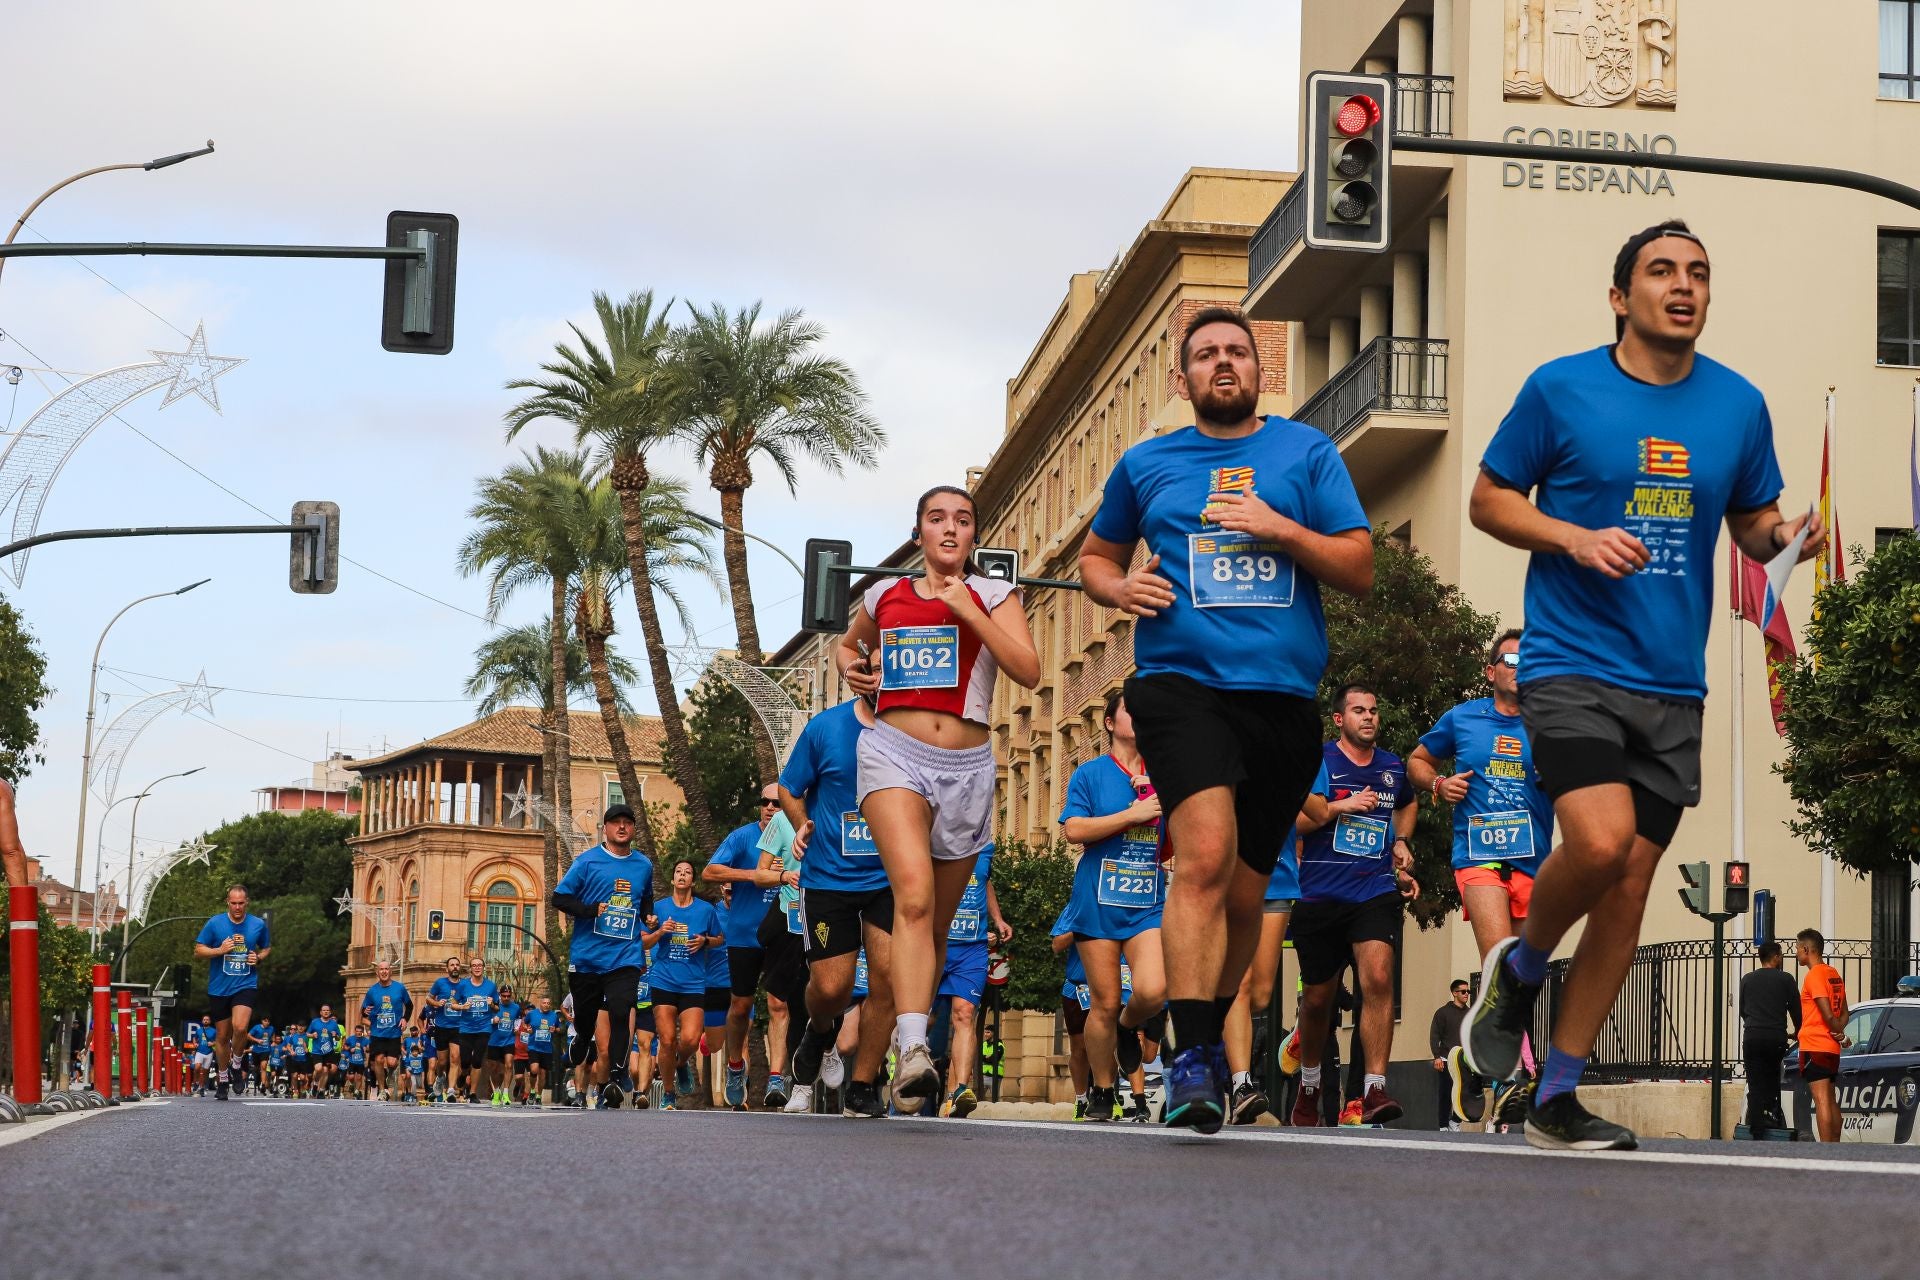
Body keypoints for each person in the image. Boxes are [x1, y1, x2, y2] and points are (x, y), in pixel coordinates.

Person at [1463, 219, 1821, 1151]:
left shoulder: (1737, 406)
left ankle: (1558, 1098)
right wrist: (1573, 537)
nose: (1684, 285)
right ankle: (1523, 969)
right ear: (1621, 296)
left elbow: (1749, 520)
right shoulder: (1561, 389)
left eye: (1699, 272)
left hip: (1673, 682)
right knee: (1599, 838)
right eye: (1662, 271)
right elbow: (1489, 499)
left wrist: (1783, 540)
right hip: (1572, 662)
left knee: (1627, 889)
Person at [1079, 307, 1373, 1132]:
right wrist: (1117, 588)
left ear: (1258, 370)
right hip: (1180, 685)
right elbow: (1097, 558)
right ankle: (1196, 1057)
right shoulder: (1149, 464)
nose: (1222, 364)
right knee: (1202, 857)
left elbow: (1359, 565)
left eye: (1236, 352)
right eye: (1205, 354)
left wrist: (1280, 528)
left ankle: (1201, 1038)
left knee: (1246, 896)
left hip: (1280, 698)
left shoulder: (1305, 454)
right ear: (1183, 379)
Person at [835, 483, 1040, 1109]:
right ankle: (916, 1048)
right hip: (894, 753)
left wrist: (970, 611)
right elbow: (849, 644)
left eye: (962, 520)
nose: (950, 529)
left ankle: (903, 1035)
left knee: (938, 924)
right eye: (936, 518)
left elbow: (1029, 671)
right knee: (915, 900)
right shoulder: (884, 595)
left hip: (968, 766)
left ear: (973, 535)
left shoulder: (995, 595)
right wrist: (852, 666)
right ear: (919, 531)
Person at [1409, 628, 1553, 1130]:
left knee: (1523, 974)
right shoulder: (1463, 718)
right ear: (1491, 671)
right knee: (1501, 960)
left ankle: (1474, 1060)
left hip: (1533, 861)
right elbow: (1418, 760)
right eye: (1510, 658)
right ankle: (1516, 1073)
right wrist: (1438, 783)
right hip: (1479, 855)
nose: (1520, 664)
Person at [1289, 686, 1418, 1127]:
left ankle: (1374, 1090)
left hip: (1373, 891)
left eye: (1374, 710)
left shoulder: (1391, 767)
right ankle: (1308, 1087)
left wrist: (1400, 842)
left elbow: (1408, 802)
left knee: (1379, 978)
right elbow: (1297, 819)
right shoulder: (1320, 761)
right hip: (1319, 894)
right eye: (1359, 710)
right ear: (1339, 719)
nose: (1369, 717)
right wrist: (1343, 805)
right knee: (1318, 1002)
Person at [780, 691, 896, 1121]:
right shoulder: (825, 728)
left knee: (887, 980)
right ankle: (820, 1029)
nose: (884, 676)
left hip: (891, 878)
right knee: (832, 989)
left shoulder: (918, 728)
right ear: (860, 669)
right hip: (829, 876)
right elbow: (790, 789)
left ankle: (863, 1085)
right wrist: (801, 824)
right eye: (877, 664)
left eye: (894, 665)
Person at [1057, 691, 1170, 1124]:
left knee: (1154, 990)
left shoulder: (1164, 774)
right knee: (1101, 1003)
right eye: (1130, 709)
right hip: (1098, 902)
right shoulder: (1090, 774)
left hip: (1146, 902)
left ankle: (1127, 1026)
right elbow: (1075, 830)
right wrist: (1132, 814)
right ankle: (1103, 1089)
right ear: (1109, 723)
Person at [550, 802, 655, 1110]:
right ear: (605, 829)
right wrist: (589, 910)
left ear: (633, 829)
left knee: (623, 1011)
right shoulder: (587, 862)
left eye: (627, 822)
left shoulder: (643, 865)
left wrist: (648, 916)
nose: (622, 827)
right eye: (615, 822)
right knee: (584, 1020)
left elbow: (645, 896)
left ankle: (617, 1077)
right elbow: (559, 897)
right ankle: (581, 1039)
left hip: (626, 957)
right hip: (587, 959)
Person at [701, 788, 786, 1109]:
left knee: (779, 1005)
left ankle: (777, 1076)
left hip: (783, 932)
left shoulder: (797, 836)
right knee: (739, 1007)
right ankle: (735, 1065)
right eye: (764, 802)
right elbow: (710, 872)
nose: (768, 807)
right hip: (744, 935)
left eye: (776, 803)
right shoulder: (742, 838)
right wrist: (754, 875)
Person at [937, 843, 1012, 1118]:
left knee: (965, 1014)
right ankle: (907, 1089)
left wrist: (998, 918)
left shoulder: (985, 847)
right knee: (927, 1020)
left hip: (972, 948)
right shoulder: (933, 837)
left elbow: (985, 882)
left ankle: (958, 1093)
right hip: (935, 945)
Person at [642, 858, 724, 1110]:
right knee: (666, 1040)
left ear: (692, 880)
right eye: (678, 871)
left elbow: (720, 939)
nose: (682, 875)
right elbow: (644, 942)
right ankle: (668, 1093)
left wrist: (705, 941)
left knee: (689, 1040)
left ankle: (680, 1064)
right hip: (664, 980)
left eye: (687, 872)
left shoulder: (706, 910)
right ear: (672, 879)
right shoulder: (660, 907)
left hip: (694, 983)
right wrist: (659, 932)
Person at [191, 884, 272, 1102]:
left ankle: (237, 1064)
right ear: (228, 902)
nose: (237, 907)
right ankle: (224, 1079)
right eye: (233, 903)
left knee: (241, 1027)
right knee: (222, 1036)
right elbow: (198, 950)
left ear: (247, 902)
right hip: (219, 988)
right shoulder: (215, 923)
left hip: (245, 984)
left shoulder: (257, 924)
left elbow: (266, 947)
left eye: (241, 903)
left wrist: (259, 957)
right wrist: (220, 950)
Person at [1738, 941, 1800, 1134]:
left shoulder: (1747, 979)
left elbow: (1743, 1010)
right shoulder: (1786, 979)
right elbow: (1796, 1011)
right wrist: (1798, 1032)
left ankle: (1756, 1126)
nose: (1781, 959)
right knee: (1773, 1081)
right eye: (1780, 955)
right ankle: (1771, 1120)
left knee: (1755, 1082)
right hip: (1775, 1038)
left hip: (1753, 1037)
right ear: (1775, 957)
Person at [1795, 929, 1850, 1143]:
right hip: (1831, 1047)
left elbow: (1827, 1013)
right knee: (1831, 1098)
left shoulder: (1814, 975)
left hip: (1815, 1044)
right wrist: (1839, 1033)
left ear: (1807, 950)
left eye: (1798, 948)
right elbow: (1844, 1011)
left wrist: (1835, 1028)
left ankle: (1827, 1148)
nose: (1797, 953)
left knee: (1821, 1099)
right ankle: (1835, 1145)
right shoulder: (1833, 973)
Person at [1051, 914, 1093, 1119]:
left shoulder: (1114, 901)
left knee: (1107, 1043)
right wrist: (1079, 927)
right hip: (1076, 989)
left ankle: (1107, 1093)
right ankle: (1081, 1099)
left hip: (1107, 986)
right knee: (1079, 1048)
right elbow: (1056, 945)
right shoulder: (1075, 909)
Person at [361, 960, 412, 1102]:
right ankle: (382, 1090)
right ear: (377, 972)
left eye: (386, 969)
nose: (384, 971)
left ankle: (389, 1075)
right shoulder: (372, 991)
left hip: (394, 1033)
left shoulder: (399, 988)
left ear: (390, 971)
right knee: (378, 1060)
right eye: (381, 969)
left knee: (392, 1063)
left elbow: (409, 1006)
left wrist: (404, 1019)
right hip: (377, 1033)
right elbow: (364, 1013)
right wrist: (365, 1013)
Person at [1430, 980, 1476, 1129]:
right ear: (1454, 993)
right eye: (1463, 992)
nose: (1466, 995)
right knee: (1446, 1094)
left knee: (1464, 1094)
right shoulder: (1442, 1013)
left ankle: (1455, 1122)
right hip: (1446, 1059)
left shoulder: (1470, 1014)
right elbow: (1434, 1035)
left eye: (1468, 992)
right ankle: (1443, 1126)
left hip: (1465, 1061)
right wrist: (1436, 1056)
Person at [452, 956, 499, 1104]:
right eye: (474, 965)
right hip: (466, 1028)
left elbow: (497, 1008)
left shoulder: (490, 986)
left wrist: (492, 1005)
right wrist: (462, 1006)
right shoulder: (463, 985)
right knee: (465, 1061)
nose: (477, 967)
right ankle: (463, 1075)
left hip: (484, 1028)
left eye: (480, 965)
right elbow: (452, 1004)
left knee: (477, 1061)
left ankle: (472, 1093)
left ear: (483, 968)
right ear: (470, 968)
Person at [425, 955, 464, 1101]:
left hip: (458, 1027)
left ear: (460, 968)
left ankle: (451, 1090)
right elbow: (428, 998)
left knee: (455, 1058)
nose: (455, 967)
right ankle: (440, 1078)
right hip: (441, 1026)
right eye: (452, 965)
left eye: (457, 965)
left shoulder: (464, 984)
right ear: (447, 968)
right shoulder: (440, 983)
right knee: (441, 1062)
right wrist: (436, 1003)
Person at [522, 996, 559, 1106]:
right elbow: (524, 1023)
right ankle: (532, 1090)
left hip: (547, 1049)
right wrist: (527, 1028)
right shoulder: (532, 1014)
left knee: (543, 1074)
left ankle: (538, 1096)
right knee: (534, 1070)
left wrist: (555, 1030)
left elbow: (558, 1028)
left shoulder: (554, 1015)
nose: (546, 1004)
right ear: (540, 1004)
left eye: (548, 1003)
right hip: (534, 1047)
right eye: (544, 1002)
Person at [400, 1025, 428, 1105]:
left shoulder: (420, 1039)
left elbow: (424, 1048)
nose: (413, 1032)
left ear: (418, 1031)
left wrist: (420, 1050)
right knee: (404, 1076)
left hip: (417, 1061)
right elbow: (402, 1047)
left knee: (414, 1079)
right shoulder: (407, 1039)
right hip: (407, 1060)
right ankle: (404, 1093)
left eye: (415, 1031)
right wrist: (405, 1053)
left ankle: (410, 1093)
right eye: (412, 1031)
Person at [341, 1024, 370, 1099]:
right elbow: (345, 1046)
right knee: (351, 1077)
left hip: (361, 1062)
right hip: (351, 1061)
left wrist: (365, 1049)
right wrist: (350, 1049)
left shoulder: (366, 1040)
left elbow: (369, 1049)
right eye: (357, 1031)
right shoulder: (350, 1039)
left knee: (359, 1077)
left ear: (362, 1032)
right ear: (355, 1031)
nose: (359, 1033)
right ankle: (352, 1085)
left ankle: (357, 1091)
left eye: (360, 1031)